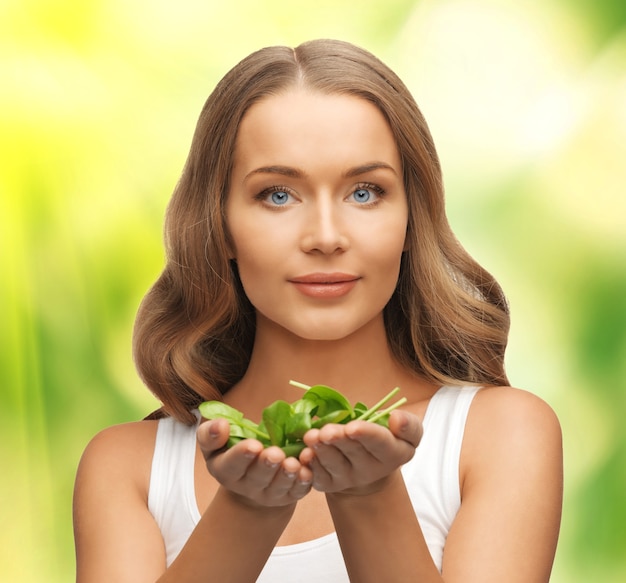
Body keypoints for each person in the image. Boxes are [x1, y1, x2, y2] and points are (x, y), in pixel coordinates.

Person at [73, 39, 563, 582]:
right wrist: (247, 512)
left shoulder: (501, 433)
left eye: (365, 192)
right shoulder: (127, 468)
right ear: (221, 226)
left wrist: (370, 494)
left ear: (410, 220)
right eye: (278, 195)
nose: (326, 237)